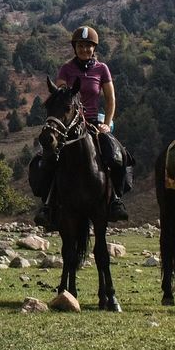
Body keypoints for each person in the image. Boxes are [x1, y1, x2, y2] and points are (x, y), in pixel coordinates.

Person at [36, 26, 132, 223]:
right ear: (75, 47)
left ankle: (115, 200)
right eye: (80, 46)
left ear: (94, 48)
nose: (84, 50)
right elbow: (62, 94)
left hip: (95, 121)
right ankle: (47, 204)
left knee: (117, 154)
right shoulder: (66, 68)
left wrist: (107, 123)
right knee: (48, 158)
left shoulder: (102, 69)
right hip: (70, 124)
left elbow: (111, 99)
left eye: (88, 46)